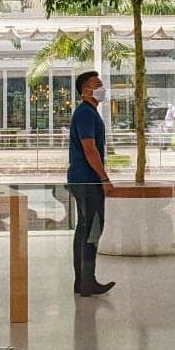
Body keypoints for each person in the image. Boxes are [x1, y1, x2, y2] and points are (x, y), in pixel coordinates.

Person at [67, 70, 118, 297]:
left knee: (85, 228)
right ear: (85, 90)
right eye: (97, 84)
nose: (101, 88)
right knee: (93, 228)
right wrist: (104, 178)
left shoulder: (87, 113)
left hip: (82, 178)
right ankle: (87, 281)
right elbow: (90, 148)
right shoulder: (86, 114)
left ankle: (83, 281)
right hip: (87, 180)